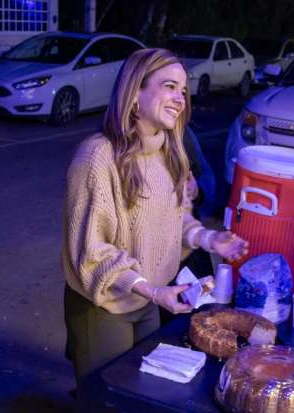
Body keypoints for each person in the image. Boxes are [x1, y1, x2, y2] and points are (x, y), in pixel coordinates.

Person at [62, 48, 248, 386]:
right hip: (103, 303)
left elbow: (175, 220)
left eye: (183, 90)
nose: (180, 99)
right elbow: (92, 253)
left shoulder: (170, 153)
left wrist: (211, 239)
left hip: (149, 299)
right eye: (169, 86)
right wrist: (151, 290)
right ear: (135, 93)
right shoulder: (97, 157)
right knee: (105, 398)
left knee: (142, 390)